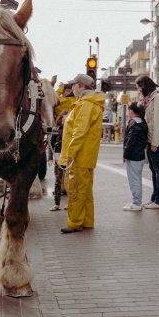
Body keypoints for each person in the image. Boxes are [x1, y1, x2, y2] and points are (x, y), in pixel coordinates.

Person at [58, 74, 104, 233]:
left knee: (76, 190)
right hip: (86, 155)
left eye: (74, 86)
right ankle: (87, 221)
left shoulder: (85, 105)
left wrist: (70, 154)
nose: (72, 89)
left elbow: (79, 131)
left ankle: (75, 222)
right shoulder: (90, 103)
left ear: (82, 86)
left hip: (78, 156)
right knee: (85, 190)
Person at [136, 75, 159, 210]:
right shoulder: (150, 99)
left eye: (139, 87)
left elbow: (158, 121)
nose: (138, 90)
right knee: (154, 169)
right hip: (151, 139)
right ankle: (155, 198)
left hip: (158, 139)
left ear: (144, 86)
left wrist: (154, 142)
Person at [50, 84, 75, 211]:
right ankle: (56, 204)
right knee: (58, 179)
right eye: (67, 90)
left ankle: (68, 204)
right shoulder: (57, 129)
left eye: (70, 90)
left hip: (69, 155)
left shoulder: (72, 129)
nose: (68, 92)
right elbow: (51, 141)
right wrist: (50, 156)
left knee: (69, 180)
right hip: (59, 154)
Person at [122, 102, 149, 211]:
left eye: (129, 110)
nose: (129, 112)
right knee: (137, 179)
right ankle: (137, 202)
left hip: (133, 155)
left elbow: (130, 141)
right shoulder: (142, 122)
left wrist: (125, 154)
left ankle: (136, 203)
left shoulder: (134, 123)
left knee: (134, 180)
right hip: (140, 155)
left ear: (132, 111)